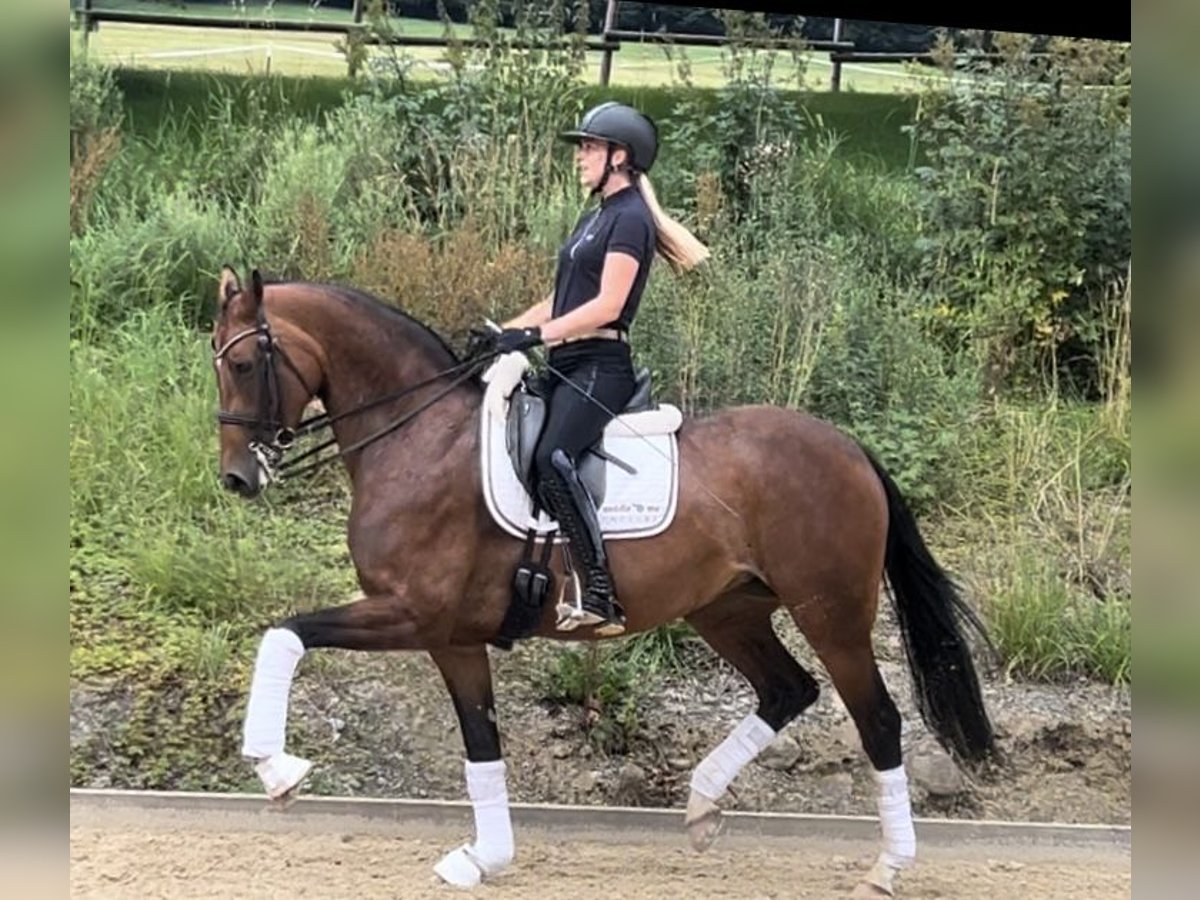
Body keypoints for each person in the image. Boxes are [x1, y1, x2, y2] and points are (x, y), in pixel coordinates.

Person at [484, 101, 710, 637]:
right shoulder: (598, 216)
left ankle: (602, 595)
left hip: (601, 367)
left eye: (588, 147)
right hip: (568, 361)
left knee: (554, 455)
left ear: (619, 156)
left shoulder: (631, 218)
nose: (579, 157)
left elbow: (608, 305)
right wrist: (504, 334)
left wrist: (535, 336)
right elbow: (561, 299)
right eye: (582, 147)